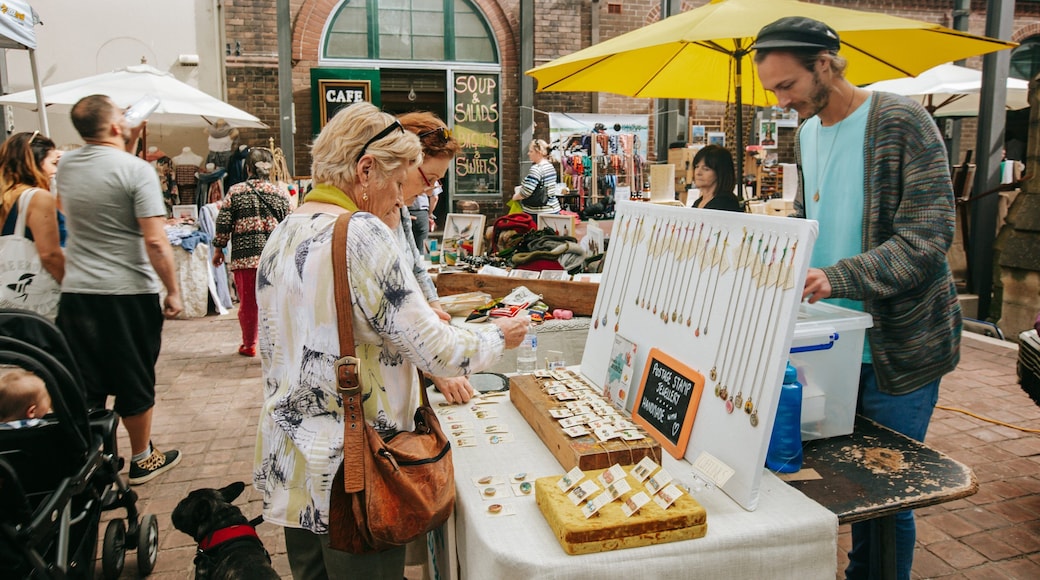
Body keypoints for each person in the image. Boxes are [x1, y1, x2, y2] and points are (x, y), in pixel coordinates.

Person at [253, 102, 529, 580]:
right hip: (356, 472)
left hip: (293, 464)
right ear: (366, 170)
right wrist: (497, 335)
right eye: (400, 183)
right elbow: (438, 351)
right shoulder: (361, 233)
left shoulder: (286, 230)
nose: (403, 202)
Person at [754, 17, 962, 580]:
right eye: (773, 90)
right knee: (847, 483)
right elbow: (815, 220)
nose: (781, 101)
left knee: (888, 492)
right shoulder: (807, 131)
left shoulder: (901, 121)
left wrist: (834, 277)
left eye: (787, 85)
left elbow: (929, 236)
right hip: (832, 341)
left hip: (902, 344)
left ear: (825, 63)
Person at [55, 94, 184, 486]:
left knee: (87, 380)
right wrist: (173, 290)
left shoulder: (68, 166)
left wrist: (127, 139)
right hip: (128, 292)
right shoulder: (137, 171)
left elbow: (90, 191)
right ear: (114, 126)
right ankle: (142, 456)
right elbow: (156, 241)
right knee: (134, 375)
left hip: (78, 292)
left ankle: (92, 460)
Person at [392, 112, 479, 405]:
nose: (429, 190)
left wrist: (436, 311)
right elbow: (390, 314)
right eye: (429, 179)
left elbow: (416, 266)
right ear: (404, 161)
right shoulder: (367, 219)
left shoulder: (400, 208)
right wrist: (436, 364)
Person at [212, 147, 290, 358]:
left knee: (248, 304)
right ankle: (275, 343)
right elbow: (288, 226)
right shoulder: (280, 194)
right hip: (274, 259)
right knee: (274, 301)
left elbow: (224, 222)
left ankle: (250, 345)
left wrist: (218, 249)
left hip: (245, 258)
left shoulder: (236, 192)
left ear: (247, 168)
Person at [0, 131, 66, 285]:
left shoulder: (8, 194)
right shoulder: (37, 197)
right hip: (38, 286)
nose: (55, 170)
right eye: (52, 163)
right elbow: (49, 255)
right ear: (34, 162)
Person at [512, 139, 561, 215]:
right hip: (553, 209)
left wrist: (515, 197)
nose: (528, 154)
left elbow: (526, 192)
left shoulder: (536, 169)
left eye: (531, 151)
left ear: (539, 153)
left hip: (538, 213)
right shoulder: (550, 166)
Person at [690, 144, 742, 212]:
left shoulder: (726, 202)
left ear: (720, 172)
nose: (698, 173)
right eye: (697, 167)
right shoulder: (698, 202)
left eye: (706, 169)